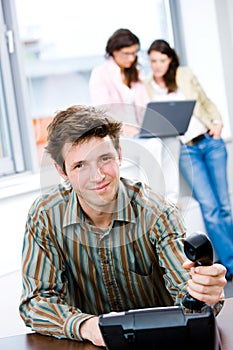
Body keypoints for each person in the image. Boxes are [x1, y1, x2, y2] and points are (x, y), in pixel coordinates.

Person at [19, 105, 226, 347]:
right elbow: (35, 302)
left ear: (118, 154)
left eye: (104, 159)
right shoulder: (45, 216)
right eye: (80, 166)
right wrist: (87, 326)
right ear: (61, 171)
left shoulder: (157, 213)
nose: (97, 176)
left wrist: (204, 293)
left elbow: (187, 294)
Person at [144, 39, 233, 279]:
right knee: (210, 207)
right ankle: (231, 265)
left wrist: (218, 122)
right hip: (186, 150)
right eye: (153, 61)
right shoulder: (147, 85)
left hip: (209, 142)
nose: (158, 65)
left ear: (170, 59)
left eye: (162, 60)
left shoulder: (184, 75)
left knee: (224, 206)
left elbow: (204, 101)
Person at [89, 28, 168, 202]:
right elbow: (102, 110)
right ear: (113, 51)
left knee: (165, 141)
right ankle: (150, 200)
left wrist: (148, 123)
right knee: (153, 145)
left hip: (139, 130)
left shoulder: (135, 73)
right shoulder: (100, 74)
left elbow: (144, 105)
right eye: (126, 53)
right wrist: (124, 127)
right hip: (117, 133)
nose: (131, 58)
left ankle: (164, 199)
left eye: (134, 53)